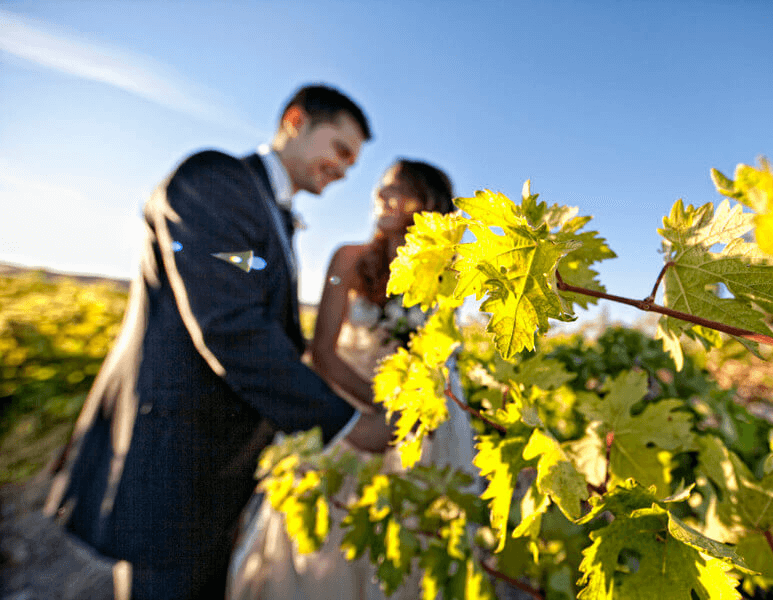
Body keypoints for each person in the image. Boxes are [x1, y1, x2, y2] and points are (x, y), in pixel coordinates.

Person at [41, 85, 395, 600]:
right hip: (172, 466)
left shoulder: (273, 211)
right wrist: (348, 424)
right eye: (340, 149)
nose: (343, 168)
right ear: (295, 120)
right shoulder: (215, 180)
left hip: (218, 469)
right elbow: (231, 325)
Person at [226, 160, 479, 600]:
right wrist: (380, 407)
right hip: (351, 405)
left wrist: (415, 411)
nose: (382, 195)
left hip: (422, 416)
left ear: (430, 204)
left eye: (399, 189)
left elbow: (441, 350)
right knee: (330, 534)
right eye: (382, 187)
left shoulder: (449, 273)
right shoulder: (349, 259)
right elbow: (322, 352)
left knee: (414, 532)